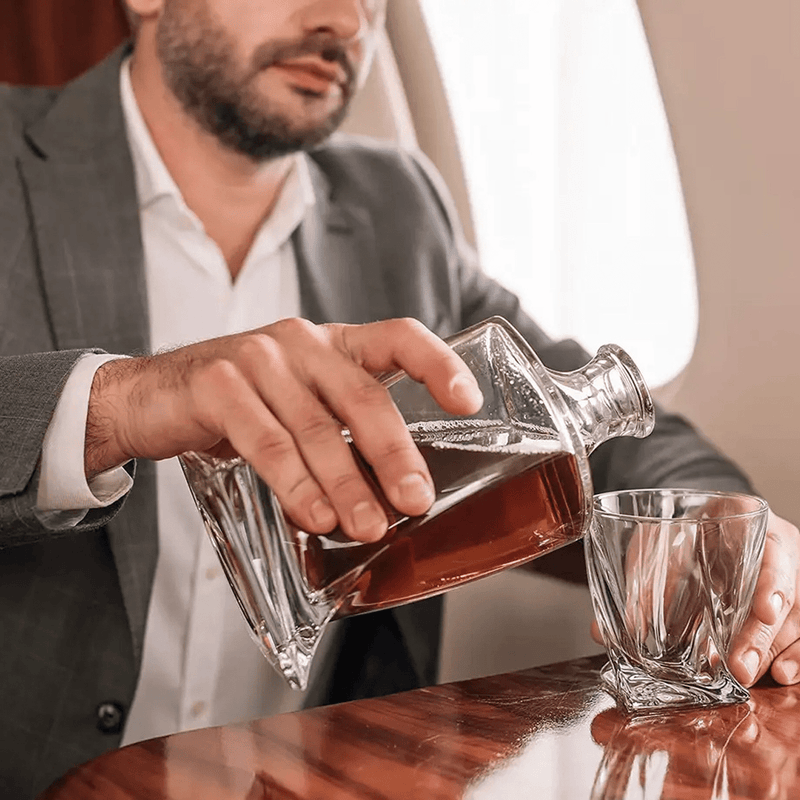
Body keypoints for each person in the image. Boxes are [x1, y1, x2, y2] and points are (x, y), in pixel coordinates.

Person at [0, 0, 798, 796]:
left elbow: (612, 426)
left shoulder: (397, 206)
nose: (345, 19)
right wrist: (119, 403)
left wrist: (745, 540)